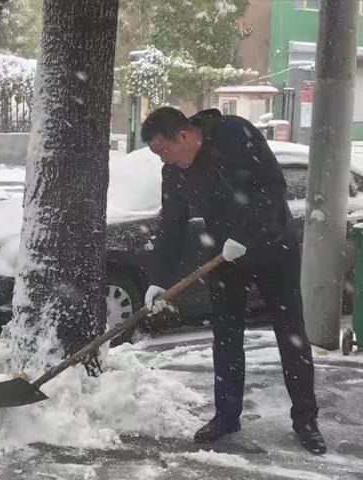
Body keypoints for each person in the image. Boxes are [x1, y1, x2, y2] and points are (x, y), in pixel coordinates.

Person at [142, 107, 326, 455]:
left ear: (183, 135)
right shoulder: (175, 172)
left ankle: (306, 419)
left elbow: (272, 188)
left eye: (163, 150)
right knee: (226, 338)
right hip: (224, 259)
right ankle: (227, 417)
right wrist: (158, 280)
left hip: (273, 248)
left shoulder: (233, 134)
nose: (163, 159)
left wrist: (245, 234)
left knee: (291, 335)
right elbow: (171, 228)